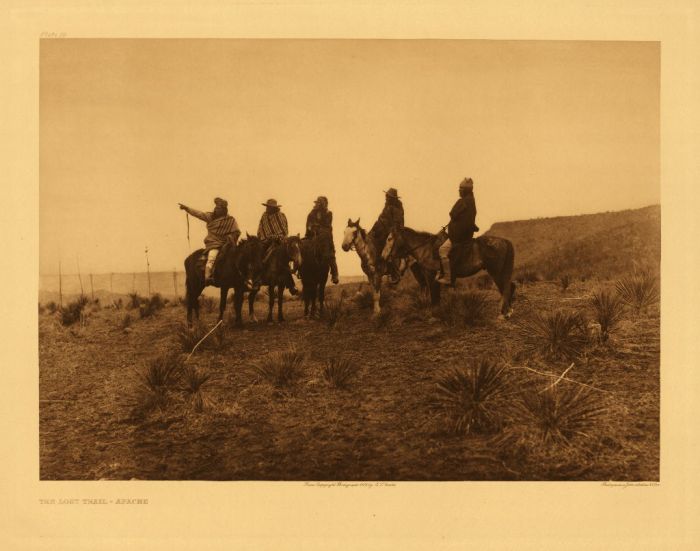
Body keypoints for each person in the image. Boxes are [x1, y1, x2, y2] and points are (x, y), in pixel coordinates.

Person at [178, 197, 240, 286]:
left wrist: (230, 237)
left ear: (224, 210)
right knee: (212, 256)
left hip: (227, 243)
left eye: (219, 208)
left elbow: (236, 232)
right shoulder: (210, 217)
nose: (216, 209)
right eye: (216, 207)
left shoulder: (231, 220)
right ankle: (208, 276)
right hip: (214, 244)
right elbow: (198, 214)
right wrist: (187, 208)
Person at [436, 177, 478, 286]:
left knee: (442, 250)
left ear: (466, 190)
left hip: (459, 237)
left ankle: (447, 277)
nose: (459, 191)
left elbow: (453, 214)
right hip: (464, 234)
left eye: (461, 189)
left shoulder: (463, 202)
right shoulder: (470, 201)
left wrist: (453, 230)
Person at [257, 198, 298, 295]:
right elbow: (260, 230)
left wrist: (276, 237)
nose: (267, 209)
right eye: (267, 207)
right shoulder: (264, 216)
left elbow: (284, 230)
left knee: (284, 260)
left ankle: (291, 285)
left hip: (279, 242)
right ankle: (257, 279)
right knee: (258, 255)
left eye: (269, 207)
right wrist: (265, 238)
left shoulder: (281, 216)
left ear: (274, 208)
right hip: (265, 241)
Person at [369, 187, 404, 284]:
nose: (386, 197)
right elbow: (380, 219)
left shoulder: (397, 207)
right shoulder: (387, 206)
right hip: (383, 231)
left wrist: (389, 231)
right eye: (386, 195)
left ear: (392, 198)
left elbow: (397, 223)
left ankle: (395, 273)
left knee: (389, 251)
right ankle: (376, 269)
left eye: (388, 196)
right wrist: (373, 230)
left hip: (393, 232)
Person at [305, 196, 339, 284]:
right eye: (317, 203)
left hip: (325, 238)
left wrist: (317, 228)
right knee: (302, 248)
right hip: (312, 236)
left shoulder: (328, 213)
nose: (317, 204)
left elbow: (327, 225)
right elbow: (308, 225)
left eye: (319, 203)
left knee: (330, 254)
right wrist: (311, 229)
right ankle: (300, 270)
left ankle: (334, 274)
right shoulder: (311, 213)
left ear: (324, 204)